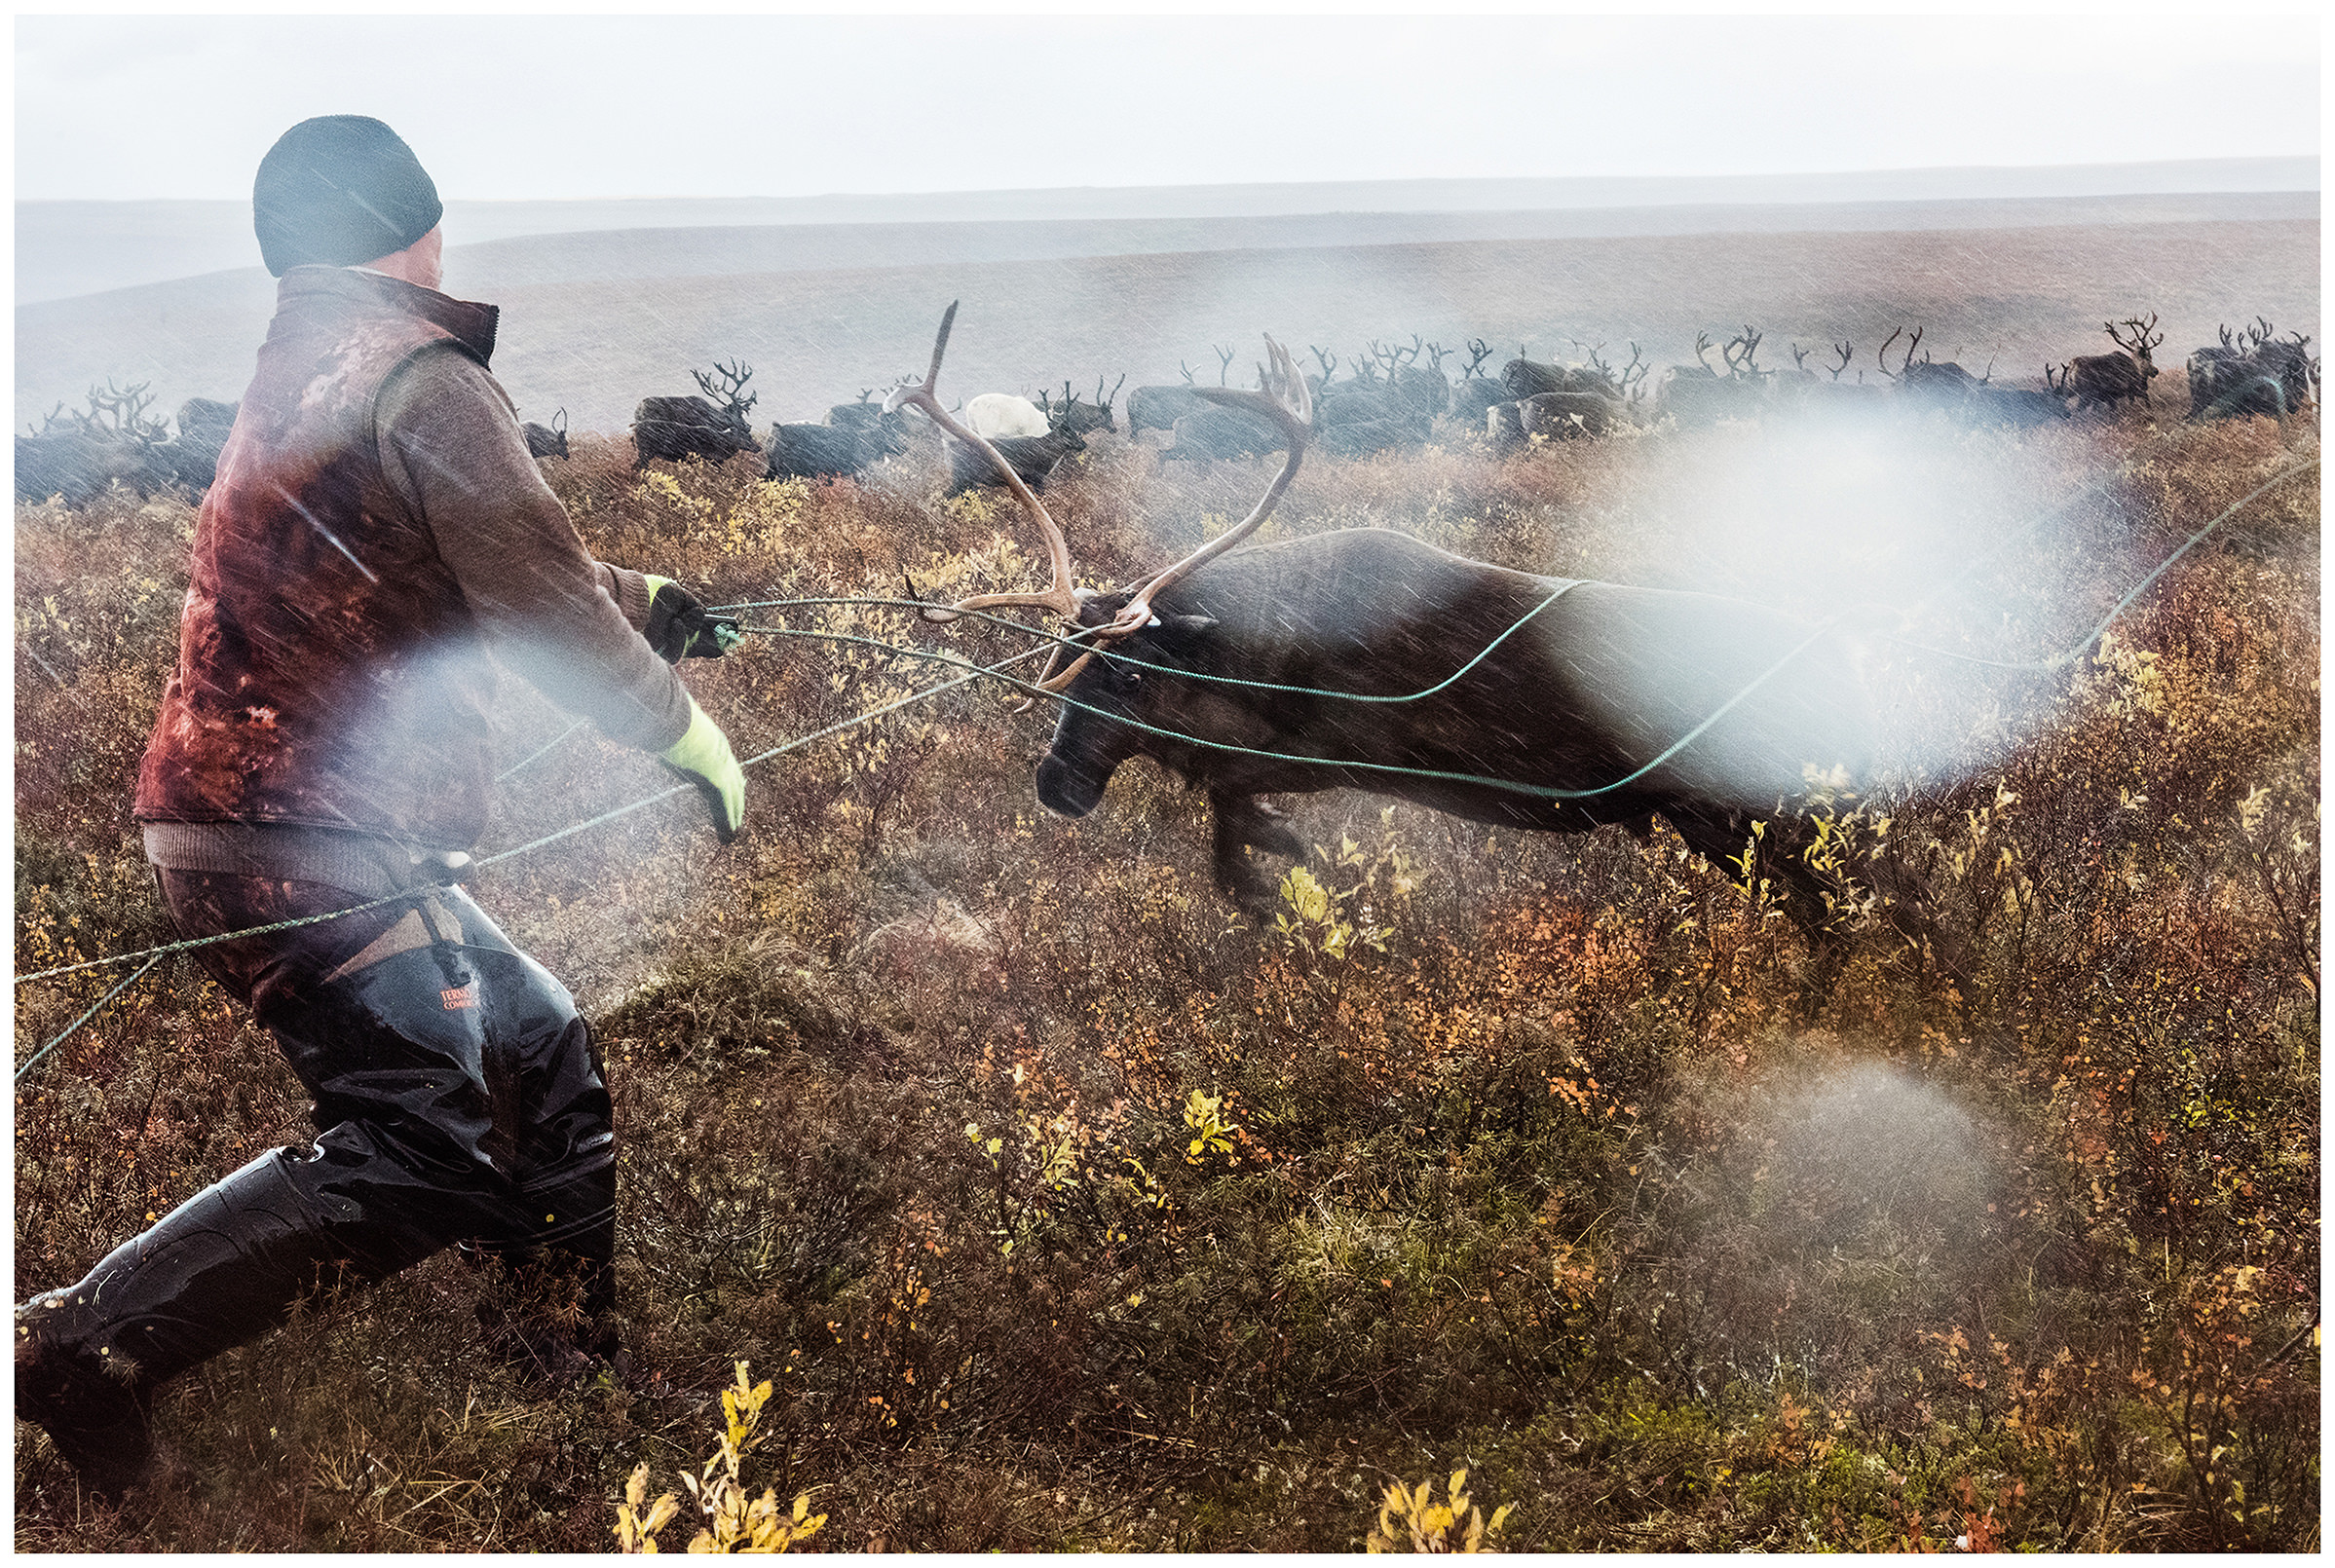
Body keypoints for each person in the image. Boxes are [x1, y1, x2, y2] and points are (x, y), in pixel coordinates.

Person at [14, 115, 748, 1501]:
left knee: (539, 1049)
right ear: (410, 226)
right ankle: (75, 1348)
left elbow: (446, 547)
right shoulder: (419, 370)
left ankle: (562, 1358)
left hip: (278, 825)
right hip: (306, 836)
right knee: (426, 1141)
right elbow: (526, 586)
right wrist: (684, 731)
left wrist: (646, 601)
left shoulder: (308, 357)